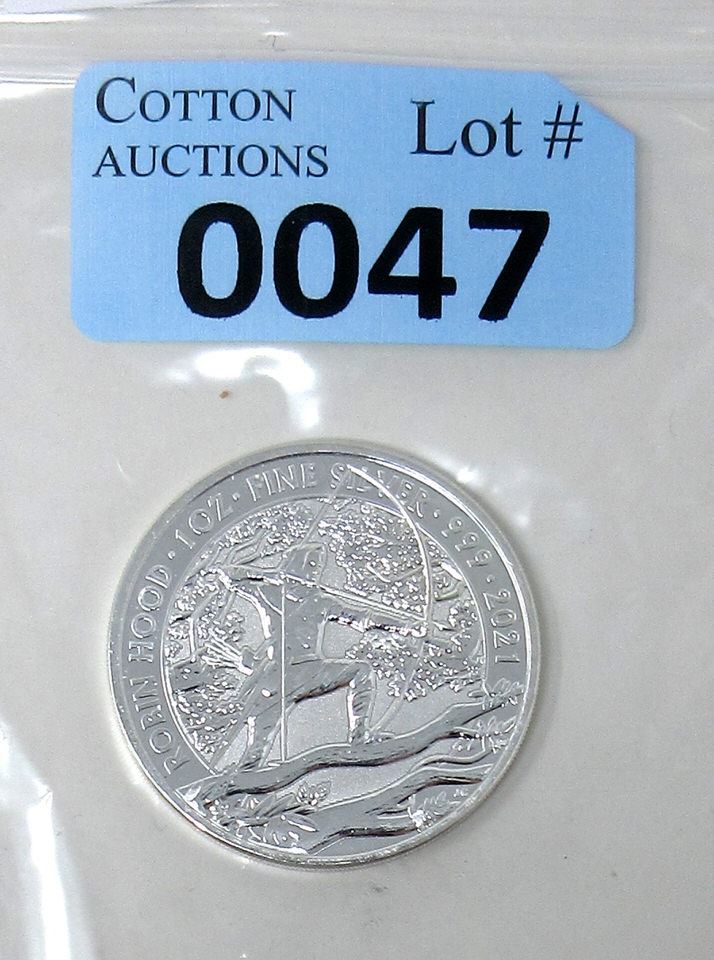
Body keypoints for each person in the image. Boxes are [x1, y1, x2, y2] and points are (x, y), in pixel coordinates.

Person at [207, 541, 416, 768]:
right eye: (311, 565)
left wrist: (402, 626)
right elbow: (230, 576)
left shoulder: (319, 601)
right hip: (277, 675)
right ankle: (244, 778)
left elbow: (362, 618)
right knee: (257, 747)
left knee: (360, 670)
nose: (315, 572)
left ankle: (359, 735)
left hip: (310, 670)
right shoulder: (268, 593)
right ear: (295, 564)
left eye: (317, 566)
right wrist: (271, 574)